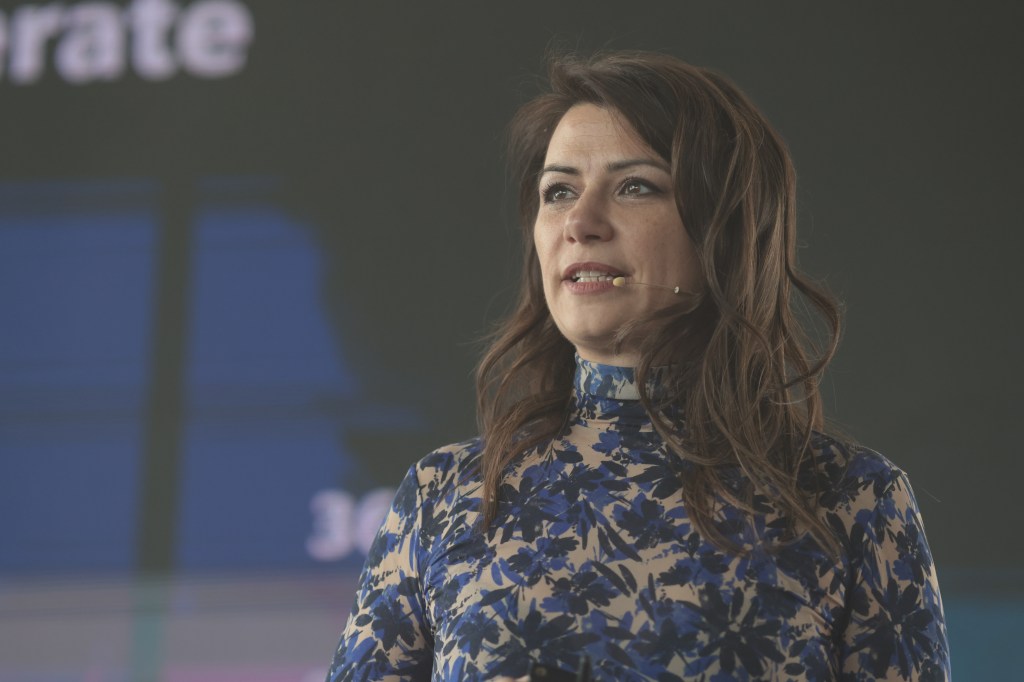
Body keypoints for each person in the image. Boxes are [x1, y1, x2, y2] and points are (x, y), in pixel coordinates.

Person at [325, 51, 950, 681]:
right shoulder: (444, 496)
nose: (580, 222)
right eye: (558, 191)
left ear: (725, 229)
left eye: (635, 186)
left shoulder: (853, 500)